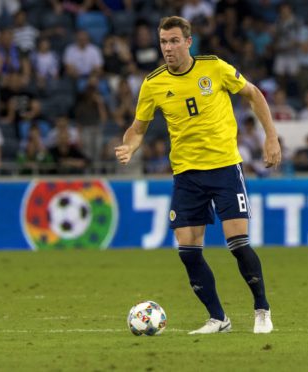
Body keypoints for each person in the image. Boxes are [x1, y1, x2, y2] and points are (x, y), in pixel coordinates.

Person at [115, 16, 281, 335]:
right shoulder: (153, 84)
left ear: (188, 42)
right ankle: (218, 319)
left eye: (174, 41)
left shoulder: (214, 67)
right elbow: (138, 129)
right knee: (188, 252)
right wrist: (130, 147)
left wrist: (271, 136)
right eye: (163, 42)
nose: (168, 48)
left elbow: (254, 94)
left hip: (223, 168)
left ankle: (262, 310)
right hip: (187, 174)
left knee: (238, 243)